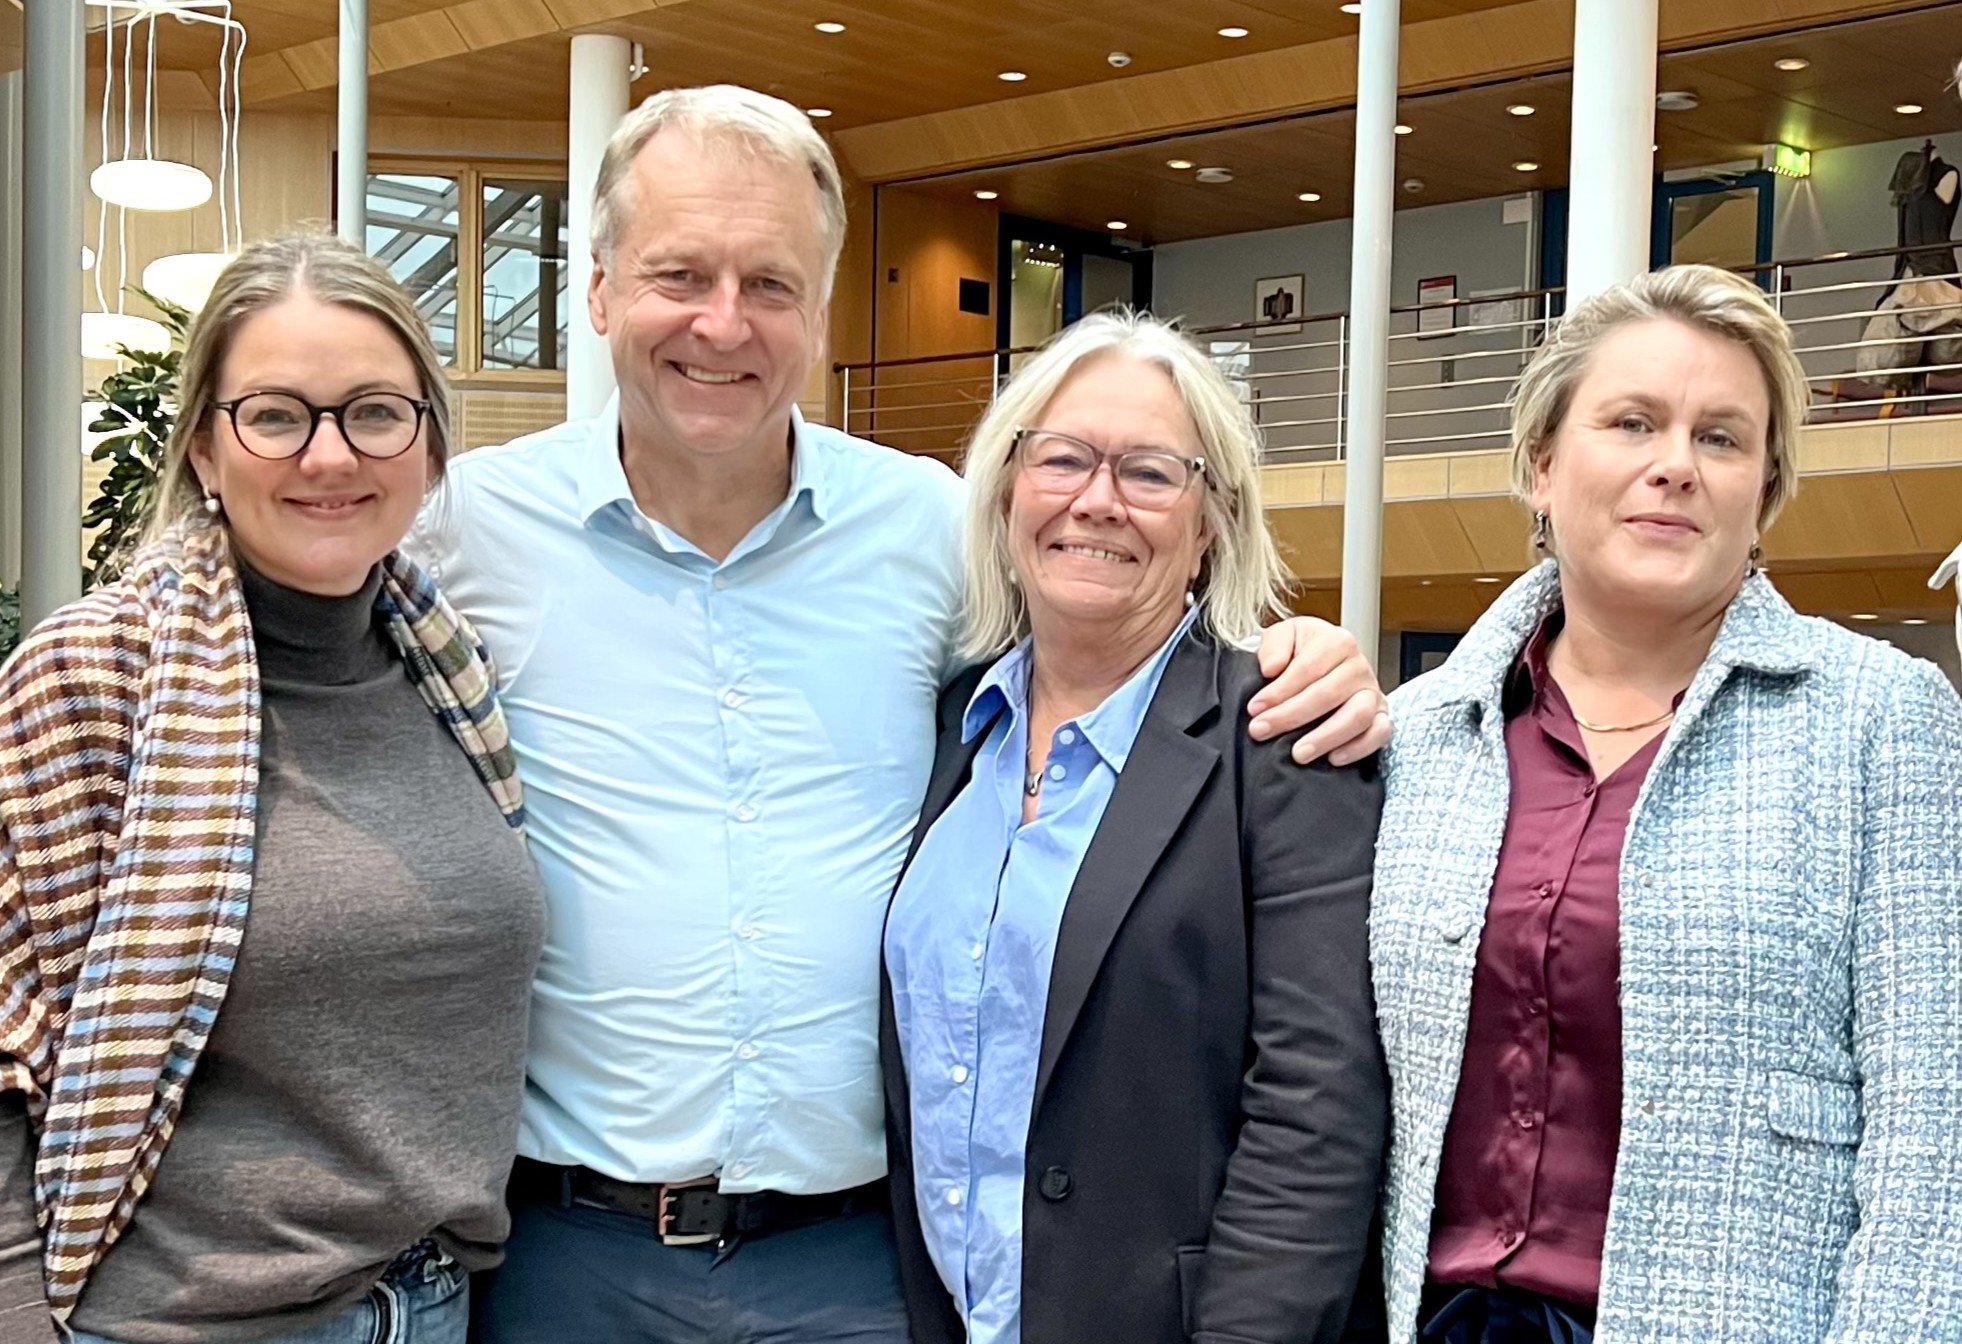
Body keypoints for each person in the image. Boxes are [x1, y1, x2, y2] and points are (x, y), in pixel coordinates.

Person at [429, 86, 1391, 1344]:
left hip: (860, 1270)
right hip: (572, 1258)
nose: (724, 322)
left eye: (771, 284)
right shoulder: (463, 531)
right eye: (681, 274)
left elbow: (1125, 655)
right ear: (600, 289)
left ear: (820, 312)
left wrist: (1306, 654)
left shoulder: (924, 530)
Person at [1370, 263, 1962, 1344]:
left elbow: (1935, 1124)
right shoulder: (1414, 734)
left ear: (1763, 492)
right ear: (1543, 466)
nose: (1675, 465)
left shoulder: (1883, 720)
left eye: (1721, 438)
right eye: (1633, 423)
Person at [0, 232, 544, 1344]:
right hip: (181, 1323)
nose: (330, 456)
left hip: (436, 1304)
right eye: (278, 415)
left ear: (430, 447)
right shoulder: (96, 674)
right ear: (206, 447)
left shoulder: (452, 674)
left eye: (375, 412)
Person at [879, 312, 1388, 1344]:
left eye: (1151, 472)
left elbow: (1316, 1112)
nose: (1098, 499)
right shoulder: (954, 729)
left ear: (1210, 526)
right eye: (1063, 458)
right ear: (1008, 493)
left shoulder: (1281, 742)